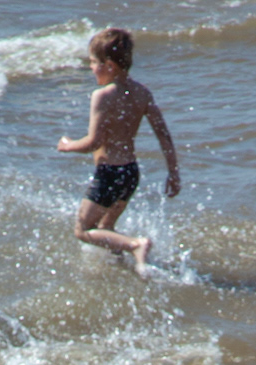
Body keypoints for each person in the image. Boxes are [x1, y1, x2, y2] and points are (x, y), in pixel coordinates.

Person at [57, 27, 180, 275]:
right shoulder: (142, 92)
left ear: (109, 65)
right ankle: (125, 268)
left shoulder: (102, 96)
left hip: (109, 173)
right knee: (106, 227)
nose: (91, 68)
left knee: (82, 230)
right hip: (130, 173)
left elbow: (93, 142)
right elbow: (163, 135)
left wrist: (67, 145)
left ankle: (136, 245)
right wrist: (173, 172)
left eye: (93, 62)